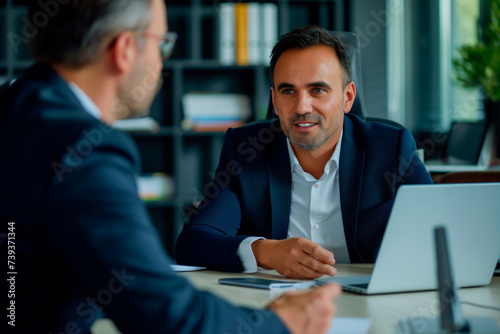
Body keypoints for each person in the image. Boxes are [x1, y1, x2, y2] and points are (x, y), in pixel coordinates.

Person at [0, 2, 341, 333]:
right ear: (124, 49)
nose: (162, 63)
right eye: (161, 44)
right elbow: (164, 314)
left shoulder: (15, 108)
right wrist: (277, 324)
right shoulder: (83, 148)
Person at [176, 25, 433, 279]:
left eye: (317, 90)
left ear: (347, 97)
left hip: (370, 300)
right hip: (278, 303)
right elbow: (193, 242)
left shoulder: (391, 147)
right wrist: (266, 252)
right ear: (275, 101)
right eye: (288, 91)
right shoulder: (246, 149)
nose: (301, 107)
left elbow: (440, 237)